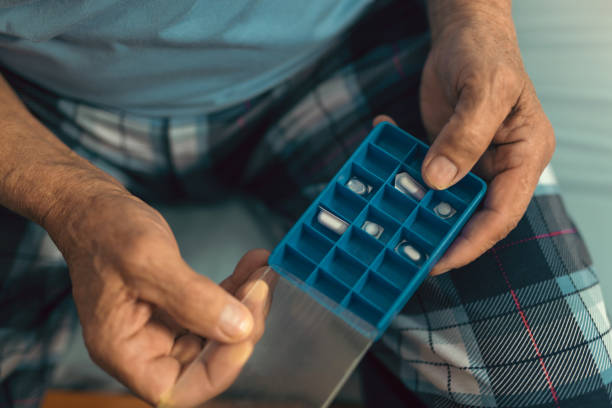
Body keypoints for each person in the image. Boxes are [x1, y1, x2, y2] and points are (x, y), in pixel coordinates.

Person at [0, 0, 610, 407]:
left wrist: (473, 20)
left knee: (559, 386)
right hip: (28, 106)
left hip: (334, 54)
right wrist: (69, 200)